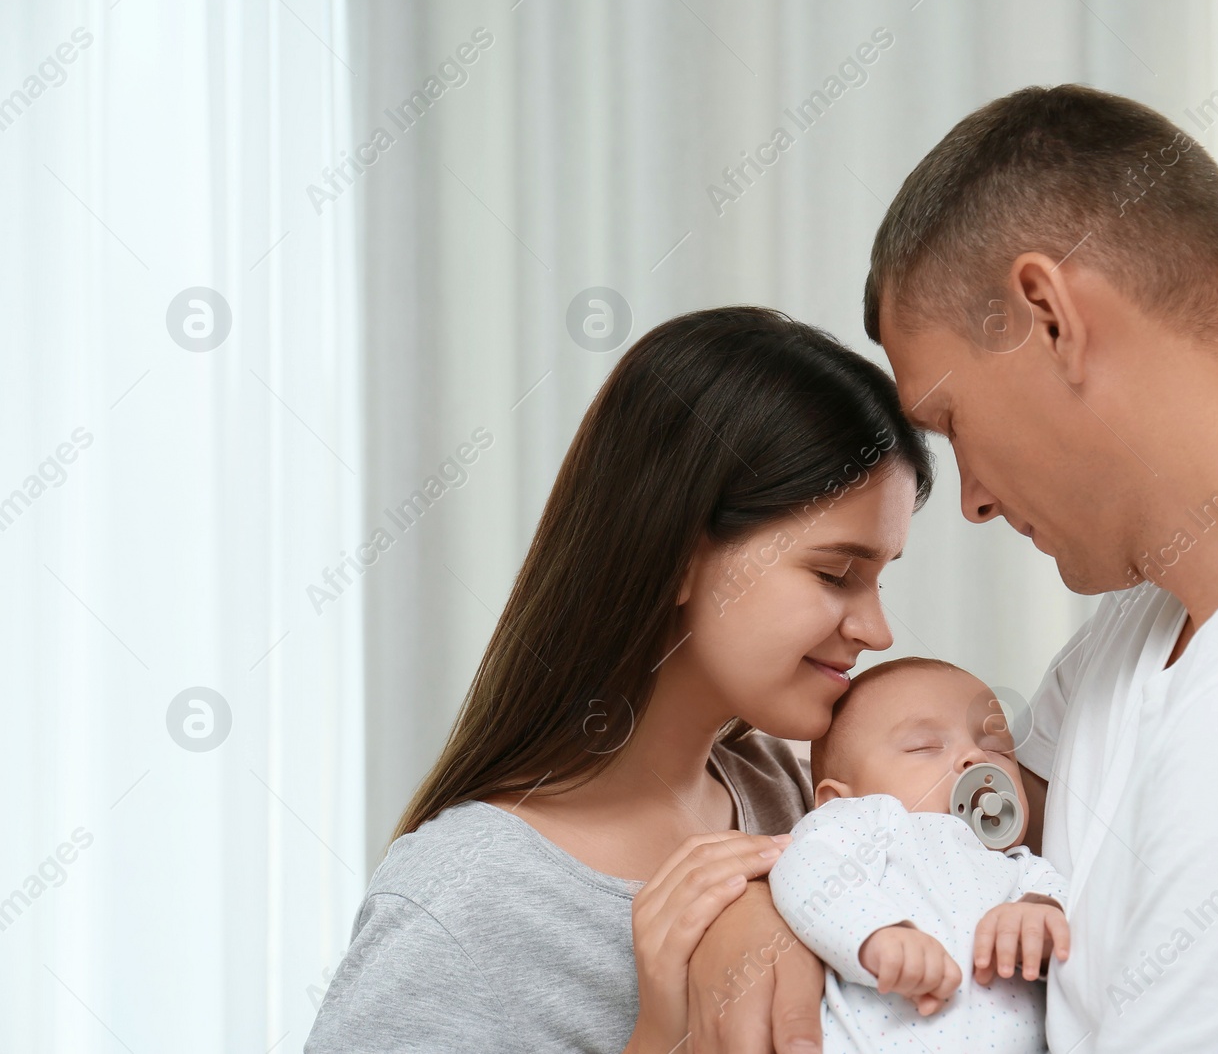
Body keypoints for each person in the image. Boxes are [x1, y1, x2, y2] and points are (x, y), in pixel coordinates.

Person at [688, 85, 1218, 1053]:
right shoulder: (1161, 623)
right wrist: (775, 916)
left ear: (1048, 315)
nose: (970, 496)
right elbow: (955, 848)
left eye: (952, 421)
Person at [305, 306, 935, 1053]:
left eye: (880, 580)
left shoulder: (798, 797)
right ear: (676, 554)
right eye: (836, 573)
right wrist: (657, 1037)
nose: (877, 630)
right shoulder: (465, 901)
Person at [769, 657, 1071, 1054]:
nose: (975, 759)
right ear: (835, 802)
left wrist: (1039, 914)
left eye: (998, 750)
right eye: (924, 746)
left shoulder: (1023, 869)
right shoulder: (870, 822)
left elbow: (1066, 905)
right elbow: (803, 870)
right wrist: (874, 933)